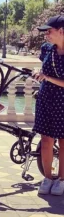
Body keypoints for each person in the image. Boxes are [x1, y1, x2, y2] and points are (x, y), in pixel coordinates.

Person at [33, 15, 64, 195]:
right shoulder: (46, 49)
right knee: (46, 140)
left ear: (61, 31)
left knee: (63, 141)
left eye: (49, 31)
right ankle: (47, 178)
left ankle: (61, 180)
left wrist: (48, 78)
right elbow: (44, 68)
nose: (46, 35)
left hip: (62, 101)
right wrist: (40, 72)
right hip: (46, 99)